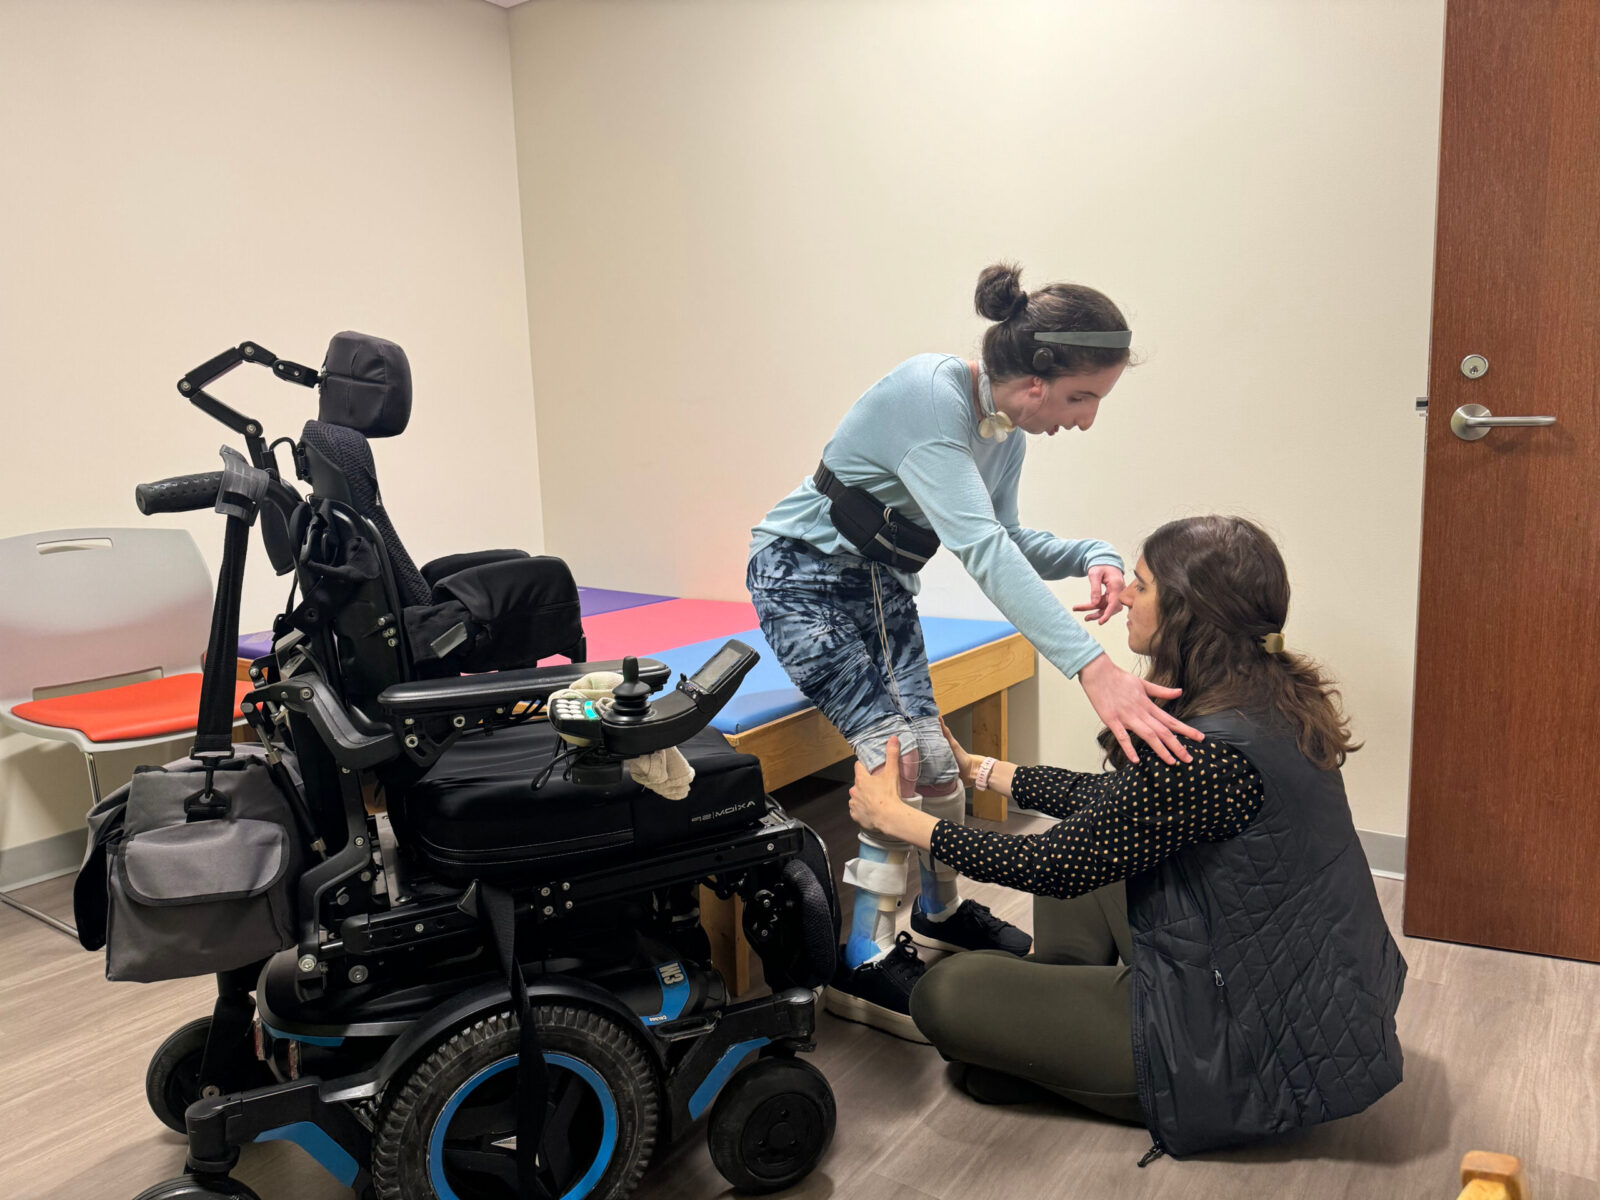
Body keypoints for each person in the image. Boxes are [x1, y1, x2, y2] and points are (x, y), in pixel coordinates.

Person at [847, 515, 1407, 1160]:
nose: (1127, 598)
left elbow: (1055, 865)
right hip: (1278, 987)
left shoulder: (1214, 752)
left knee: (943, 994)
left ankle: (1053, 1048)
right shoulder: (1262, 693)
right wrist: (981, 770)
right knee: (1092, 843)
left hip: (1247, 1051)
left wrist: (900, 820)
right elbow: (1121, 808)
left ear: (1188, 613)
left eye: (1141, 585)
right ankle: (1051, 1021)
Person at [747, 263, 1202, 1040]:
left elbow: (1011, 536)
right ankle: (861, 959)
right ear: (1035, 380)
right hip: (802, 580)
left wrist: (1094, 551)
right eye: (1082, 398)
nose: (1086, 421)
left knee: (942, 760)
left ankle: (941, 911)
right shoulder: (929, 398)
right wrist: (1092, 670)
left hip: (881, 591)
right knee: (897, 754)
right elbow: (982, 549)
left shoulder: (1002, 434)